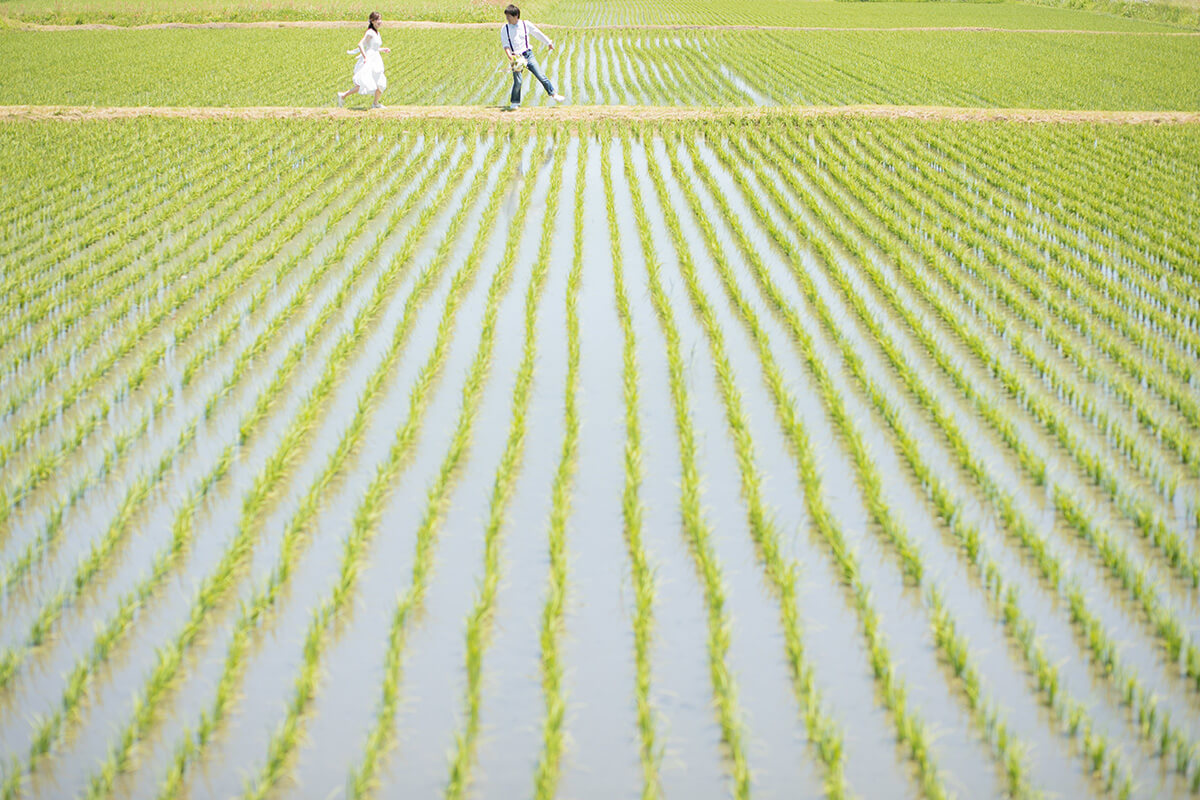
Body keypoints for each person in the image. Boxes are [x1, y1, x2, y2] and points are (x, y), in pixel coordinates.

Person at [500, 4, 566, 111]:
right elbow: (505, 44)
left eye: (509, 17)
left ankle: (554, 94)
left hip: (528, 55)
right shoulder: (505, 28)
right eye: (506, 17)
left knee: (540, 75)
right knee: (518, 81)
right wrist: (510, 57)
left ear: (516, 15)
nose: (507, 19)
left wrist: (548, 42)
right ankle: (515, 102)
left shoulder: (526, 24)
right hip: (516, 57)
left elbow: (537, 33)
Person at [337, 12, 391, 109]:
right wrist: (365, 57)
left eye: (380, 19)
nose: (380, 22)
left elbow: (372, 47)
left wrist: (383, 49)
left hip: (376, 59)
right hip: (370, 60)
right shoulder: (370, 32)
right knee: (364, 83)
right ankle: (343, 95)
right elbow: (360, 44)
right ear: (372, 21)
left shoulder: (376, 32)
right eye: (377, 20)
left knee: (380, 82)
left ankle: (375, 103)